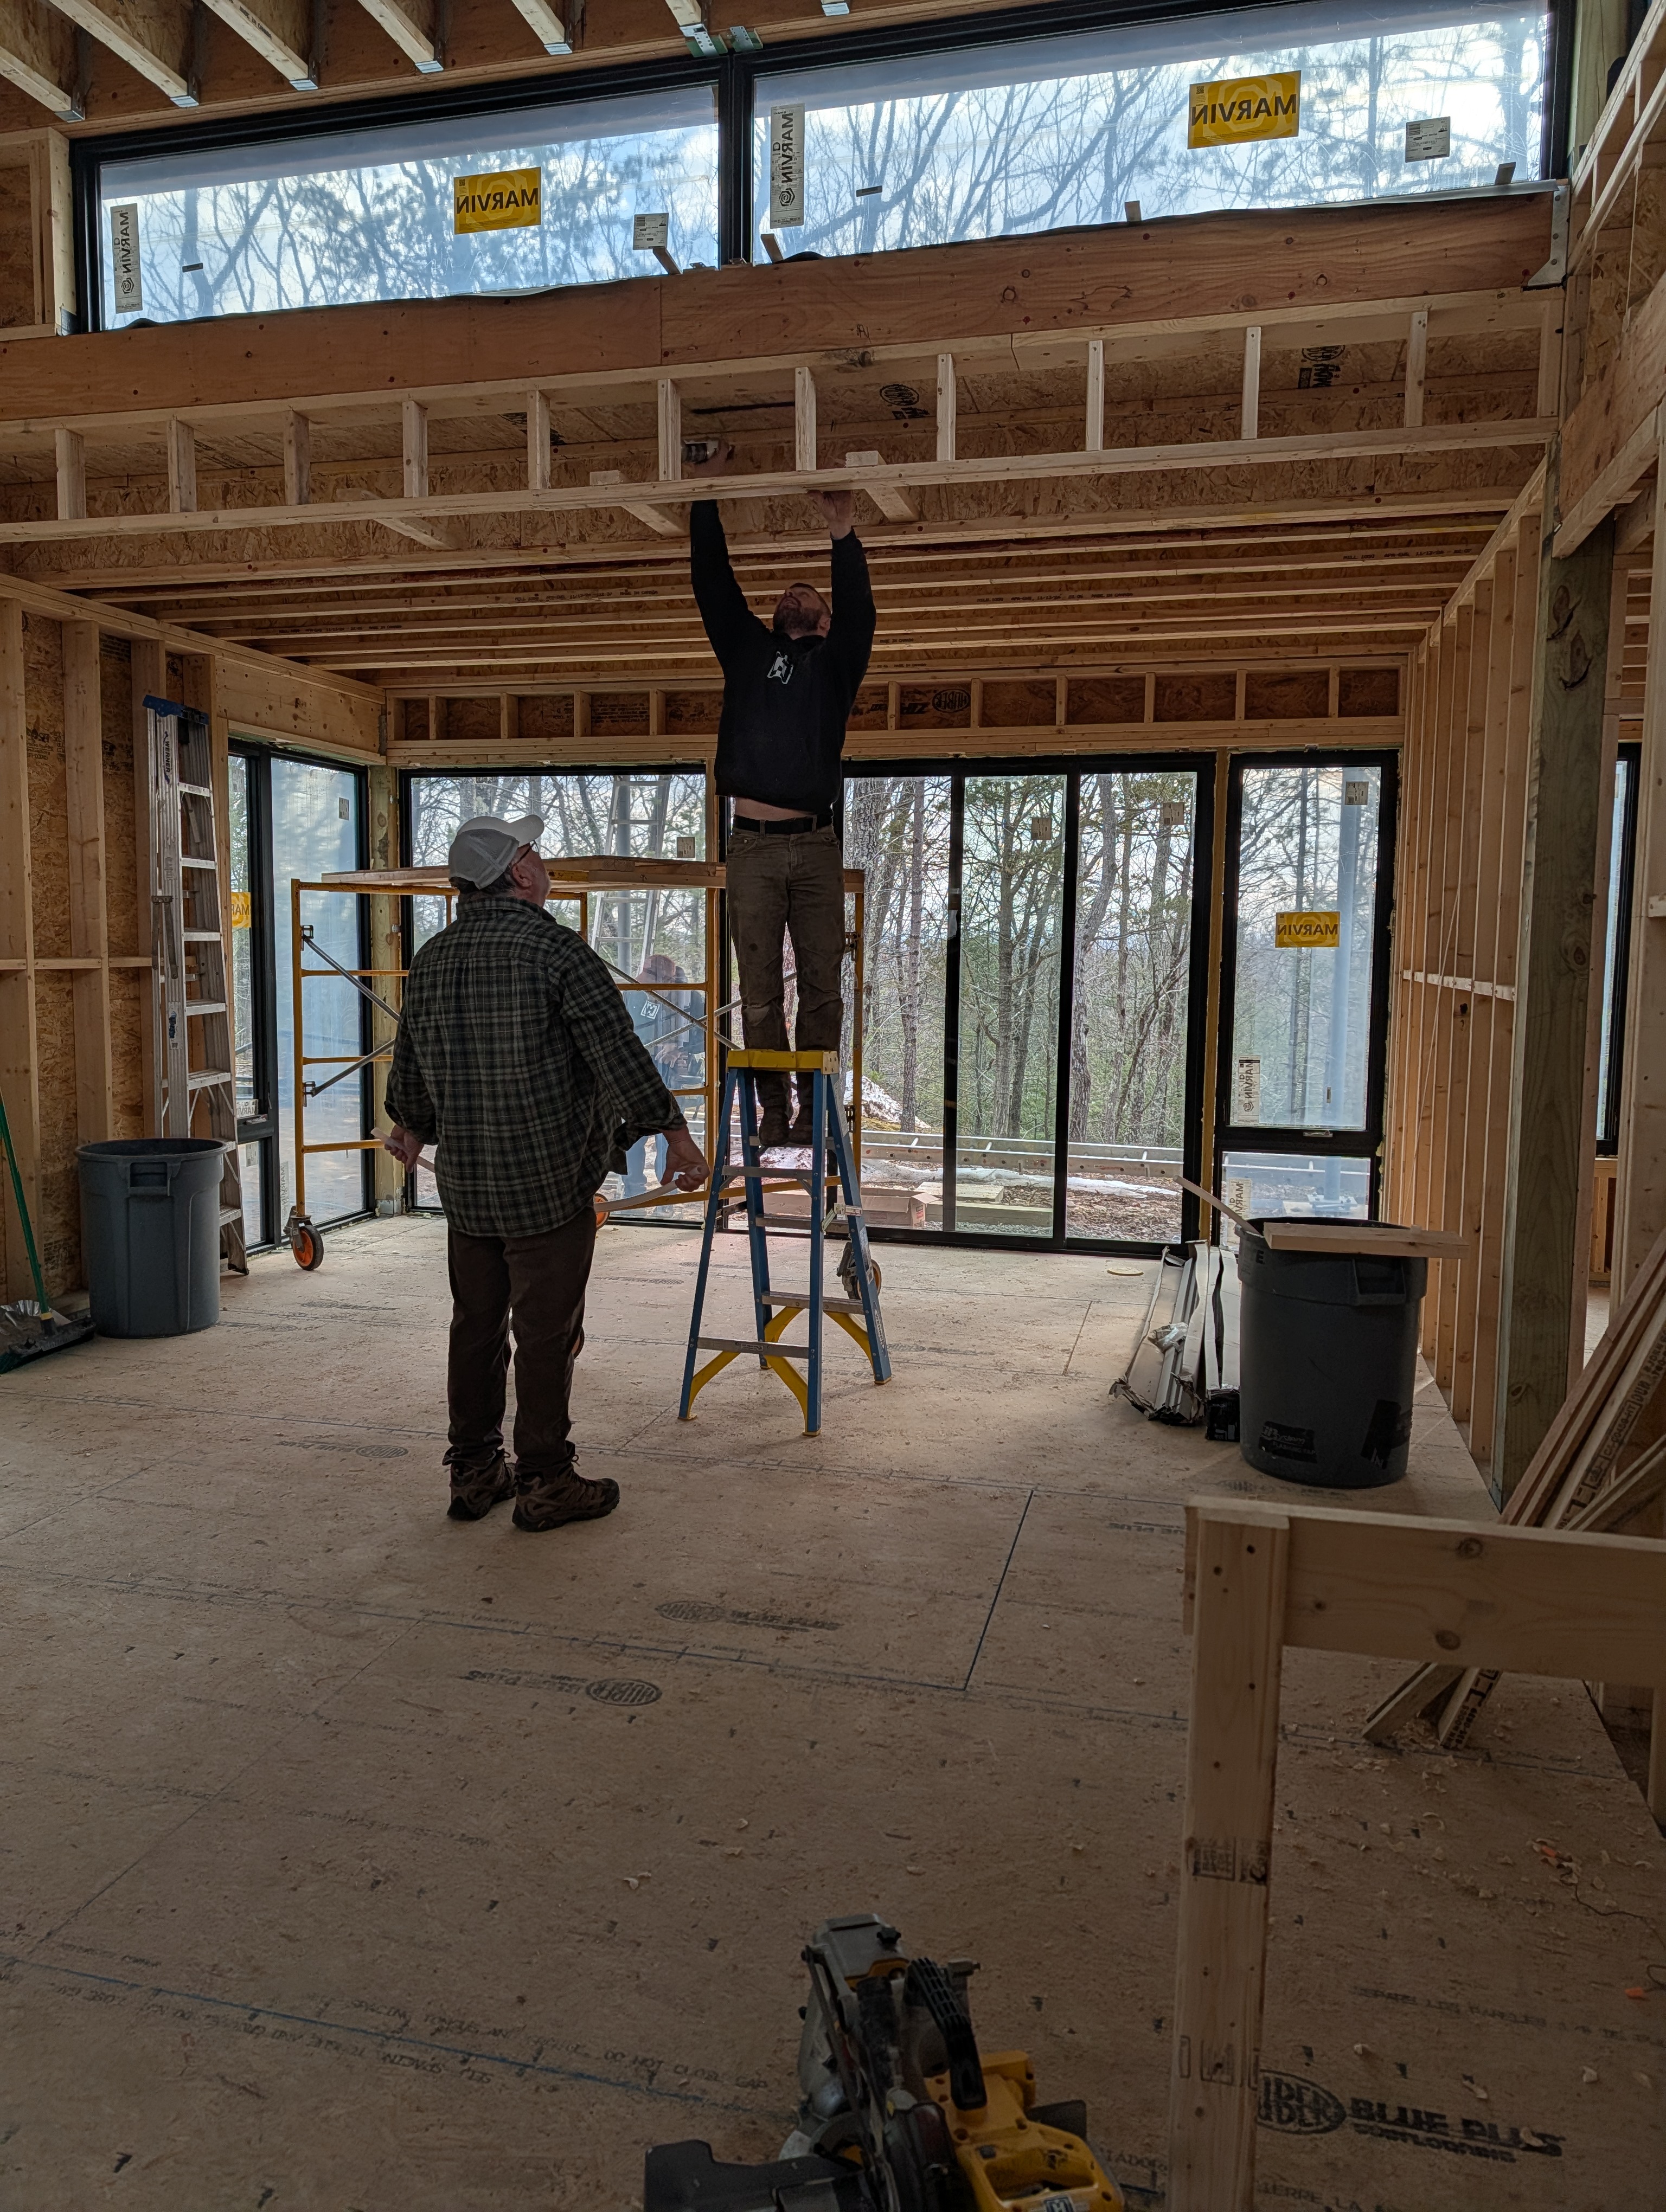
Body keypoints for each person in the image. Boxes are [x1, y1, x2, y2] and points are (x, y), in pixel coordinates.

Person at [383, 813, 707, 1532]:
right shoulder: (559, 955)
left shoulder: (432, 960)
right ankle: (546, 1481)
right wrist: (675, 1137)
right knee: (545, 1334)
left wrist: (409, 1127)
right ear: (521, 874)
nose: (543, 862)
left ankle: (473, 1472)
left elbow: (409, 1074)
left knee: (475, 1327)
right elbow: (618, 1055)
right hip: (548, 1187)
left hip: (466, 1190)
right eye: (535, 852)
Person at [685, 447, 876, 1148]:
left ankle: (813, 1108)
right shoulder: (743, 651)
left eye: (811, 595)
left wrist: (843, 534)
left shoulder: (834, 670)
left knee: (822, 987)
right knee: (760, 992)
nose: (797, 595)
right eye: (790, 594)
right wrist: (705, 496)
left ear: (824, 624)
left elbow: (860, 618)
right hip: (755, 850)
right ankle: (772, 1109)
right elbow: (713, 583)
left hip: (817, 845)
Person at [621, 952, 696, 1197]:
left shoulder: (691, 996)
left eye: (650, 973)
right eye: (643, 971)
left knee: (670, 1136)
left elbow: (703, 1034)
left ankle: (668, 1194)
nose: (641, 977)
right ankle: (633, 1193)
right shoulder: (632, 994)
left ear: (668, 978)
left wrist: (679, 1047)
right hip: (637, 1074)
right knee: (633, 1136)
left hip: (671, 1075)